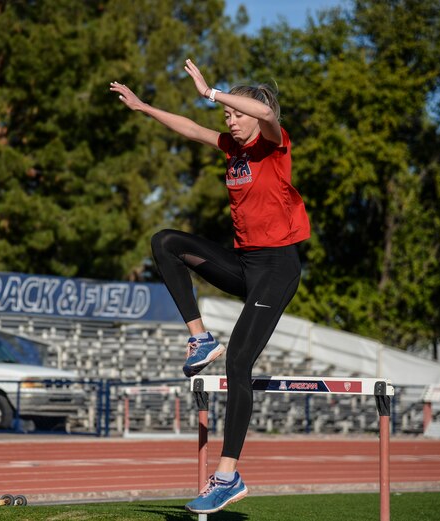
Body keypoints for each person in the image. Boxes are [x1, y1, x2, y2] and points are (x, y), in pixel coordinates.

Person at [110, 59, 310, 514]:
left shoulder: (275, 145)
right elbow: (190, 129)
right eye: (227, 116)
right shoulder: (230, 149)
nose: (229, 121)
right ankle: (199, 336)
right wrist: (144, 107)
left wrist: (212, 92)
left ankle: (227, 476)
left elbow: (264, 117)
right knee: (166, 243)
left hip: (278, 268)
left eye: (236, 114)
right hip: (246, 265)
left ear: (255, 113)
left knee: (239, 364)